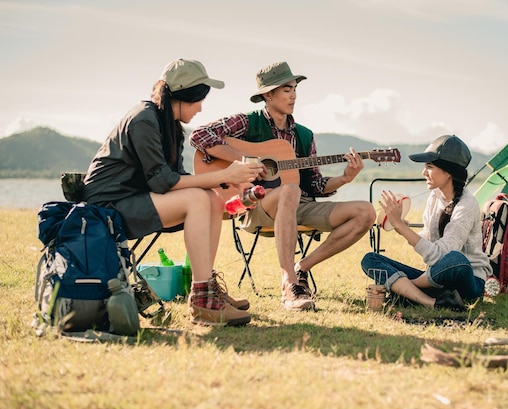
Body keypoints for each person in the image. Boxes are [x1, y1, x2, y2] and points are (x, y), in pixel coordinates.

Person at [82, 59, 265, 326]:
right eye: (199, 100)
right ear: (182, 96)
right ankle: (203, 300)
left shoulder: (170, 125)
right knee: (198, 199)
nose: (201, 107)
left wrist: (230, 182)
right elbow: (163, 182)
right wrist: (224, 175)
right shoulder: (144, 119)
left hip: (135, 200)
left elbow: (176, 178)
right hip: (107, 209)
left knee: (212, 199)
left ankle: (205, 290)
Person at [190, 61, 376, 311]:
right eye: (286, 89)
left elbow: (316, 184)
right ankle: (288, 286)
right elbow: (199, 135)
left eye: (295, 88)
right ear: (268, 95)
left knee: (366, 212)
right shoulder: (247, 122)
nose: (293, 95)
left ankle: (301, 269)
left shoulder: (304, 135)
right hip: (254, 206)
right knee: (289, 191)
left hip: (295, 204)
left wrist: (345, 178)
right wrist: (244, 162)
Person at [360, 135, 494, 311]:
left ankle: (406, 288)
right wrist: (404, 228)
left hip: (467, 283)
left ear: (448, 172)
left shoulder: (466, 205)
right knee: (370, 259)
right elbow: (429, 239)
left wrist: (400, 227)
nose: (424, 172)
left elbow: (441, 256)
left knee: (456, 260)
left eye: (429, 167)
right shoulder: (435, 196)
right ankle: (431, 301)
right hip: (434, 279)